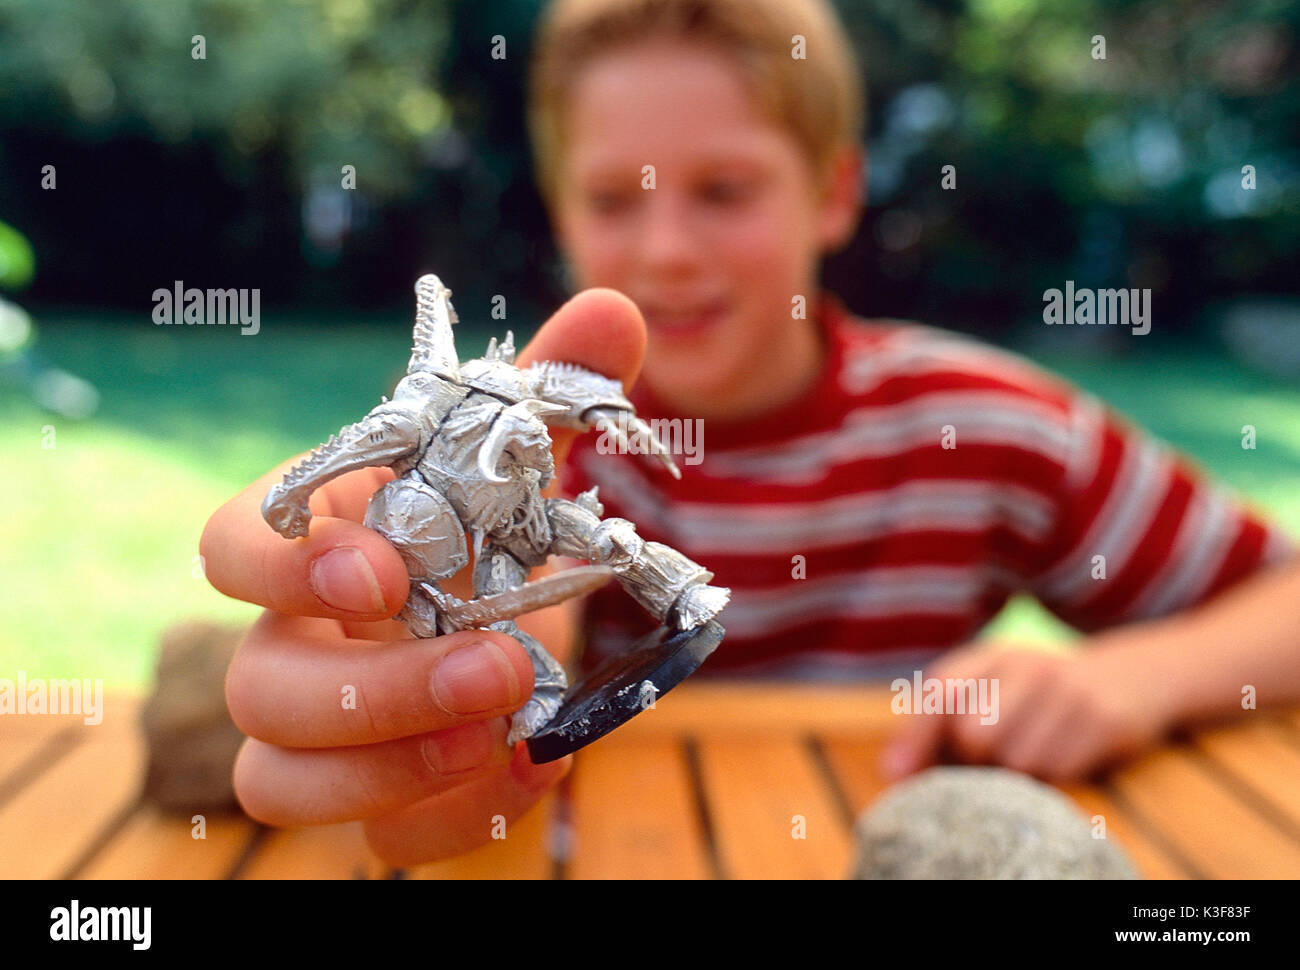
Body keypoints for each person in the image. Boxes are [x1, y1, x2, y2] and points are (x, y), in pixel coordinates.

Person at [200, 0, 1300, 865]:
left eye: (724, 190)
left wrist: (1133, 679)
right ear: (559, 207)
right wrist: (356, 667)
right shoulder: (516, 444)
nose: (668, 249)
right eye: (616, 198)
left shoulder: (989, 431)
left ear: (832, 192)